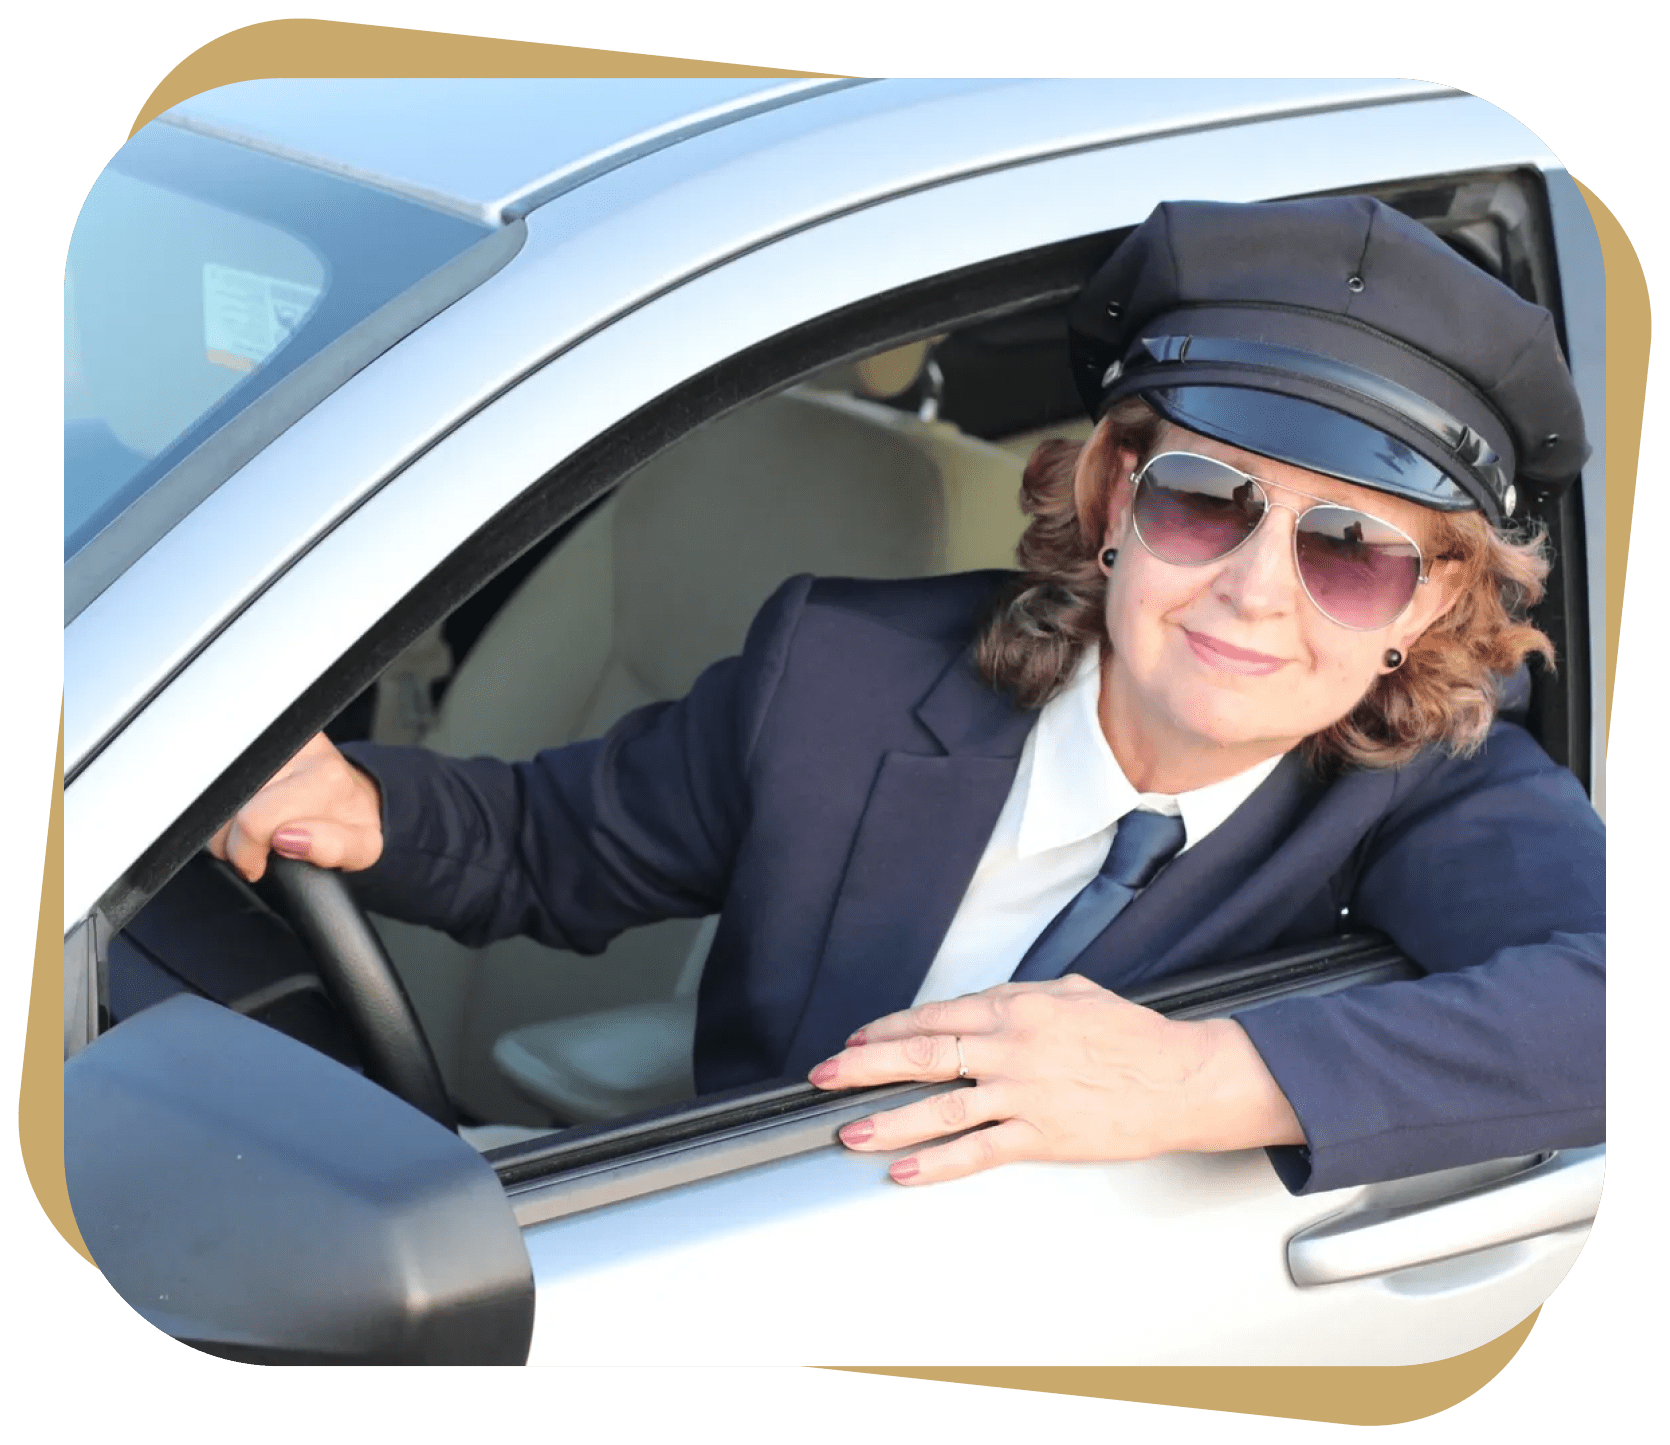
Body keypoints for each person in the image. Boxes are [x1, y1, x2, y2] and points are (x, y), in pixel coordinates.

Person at [211, 196, 1605, 1196]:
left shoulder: (1434, 793)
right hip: (735, 1256)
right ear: (1115, 497)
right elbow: (547, 845)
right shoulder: (841, 671)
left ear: (1426, 601)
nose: (1254, 590)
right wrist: (356, 804)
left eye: (1348, 551)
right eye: (1203, 504)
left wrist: (1199, 1078)